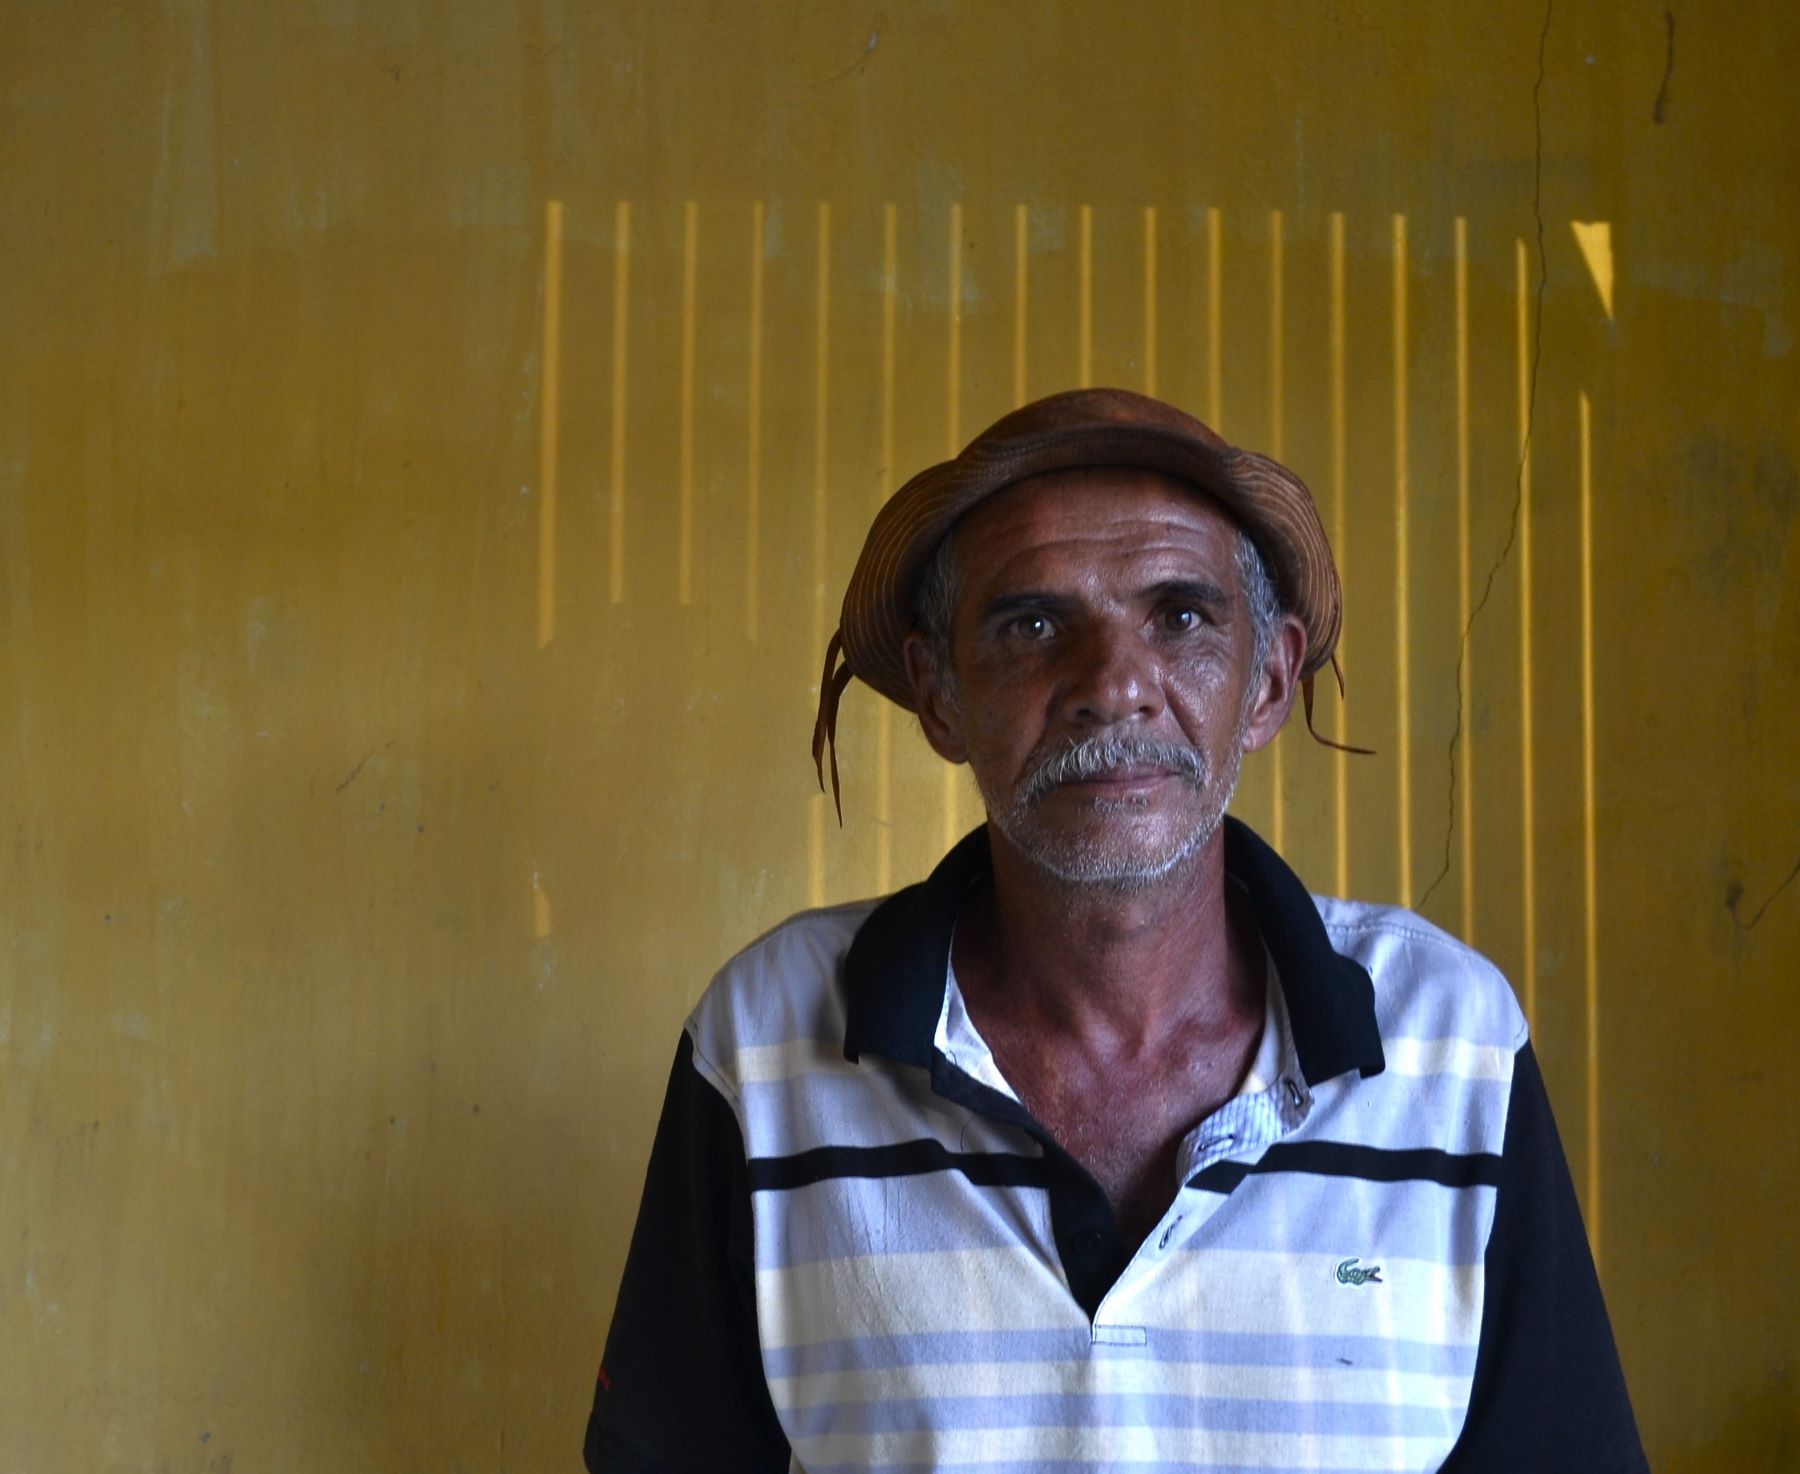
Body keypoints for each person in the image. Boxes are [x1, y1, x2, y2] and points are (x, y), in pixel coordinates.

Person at [583, 389, 1646, 1473]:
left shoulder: (1451, 1042)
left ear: (1269, 681)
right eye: (1033, 624)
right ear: (940, 695)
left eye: (1180, 616)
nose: (1114, 685)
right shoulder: (766, 1043)